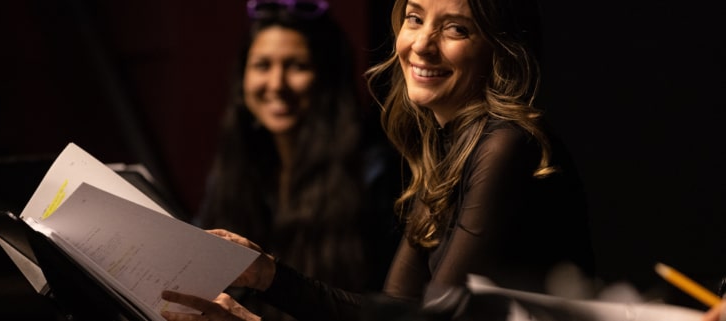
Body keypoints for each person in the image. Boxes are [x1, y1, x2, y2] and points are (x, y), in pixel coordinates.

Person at [162, 0, 596, 319]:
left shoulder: (506, 144)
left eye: (456, 29)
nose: (422, 45)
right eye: (414, 18)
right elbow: (397, 307)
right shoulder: (447, 147)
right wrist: (265, 275)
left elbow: (435, 318)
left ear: (500, 49)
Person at [192, 0, 405, 320]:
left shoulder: (375, 172)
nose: (276, 84)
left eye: (297, 66)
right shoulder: (237, 167)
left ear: (327, 78)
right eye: (263, 65)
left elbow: (387, 307)